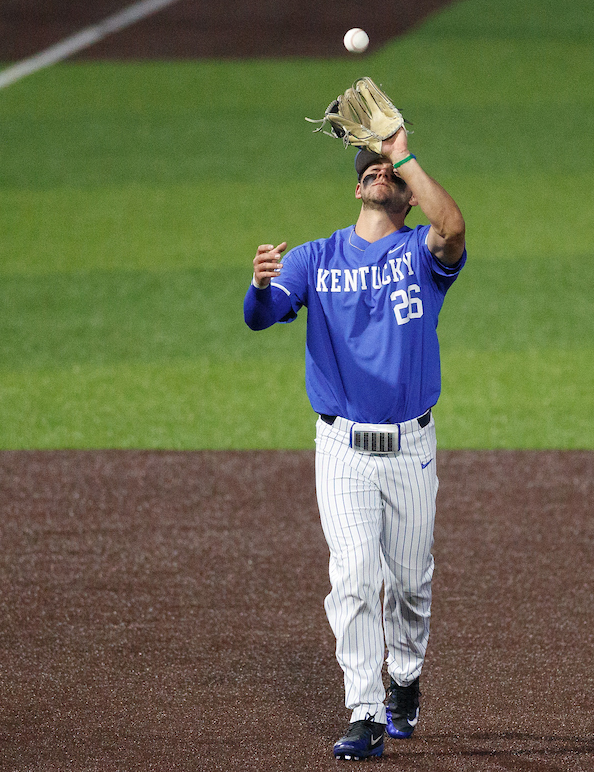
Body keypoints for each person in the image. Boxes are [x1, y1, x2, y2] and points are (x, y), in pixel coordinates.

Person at [243, 127, 465, 760]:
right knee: (355, 576)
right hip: (340, 448)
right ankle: (364, 710)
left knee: (412, 584)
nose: (377, 171)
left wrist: (404, 154)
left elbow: (452, 227)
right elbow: (260, 317)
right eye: (369, 168)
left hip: (410, 448)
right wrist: (260, 286)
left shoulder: (422, 253)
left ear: (410, 192)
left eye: (389, 170)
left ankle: (405, 678)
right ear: (356, 187)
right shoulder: (316, 258)